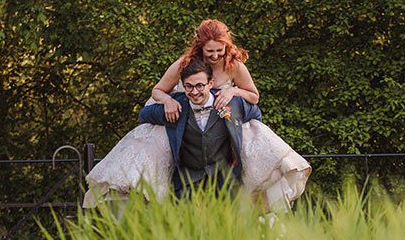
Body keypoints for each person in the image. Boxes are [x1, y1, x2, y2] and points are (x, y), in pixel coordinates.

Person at [83, 19, 311, 211]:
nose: (214, 56)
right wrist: (169, 100)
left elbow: (253, 96)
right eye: (209, 51)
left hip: (222, 126)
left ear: (226, 46)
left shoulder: (234, 65)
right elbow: (157, 91)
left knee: (255, 162)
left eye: (219, 51)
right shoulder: (185, 65)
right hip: (185, 120)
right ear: (200, 47)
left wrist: (232, 90)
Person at [139, 57, 257, 197]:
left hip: (225, 181)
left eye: (200, 85)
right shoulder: (176, 107)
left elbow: (256, 116)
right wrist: (167, 101)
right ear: (183, 85)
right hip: (186, 183)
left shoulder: (233, 104)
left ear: (211, 83)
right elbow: (144, 115)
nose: (194, 92)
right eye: (189, 86)